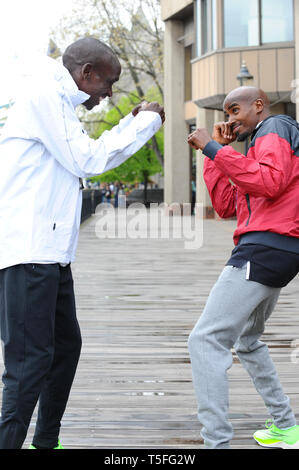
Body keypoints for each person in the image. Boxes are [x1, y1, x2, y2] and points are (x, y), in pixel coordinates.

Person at [0, 37, 164, 449]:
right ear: (86, 73)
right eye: (107, 84)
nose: (108, 94)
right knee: (27, 365)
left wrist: (131, 122)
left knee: (64, 349)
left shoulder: (58, 103)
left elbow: (84, 151)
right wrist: (145, 123)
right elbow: (87, 161)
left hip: (51, 256)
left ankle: (46, 442)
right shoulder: (43, 96)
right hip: (29, 253)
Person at [187, 86, 299, 449]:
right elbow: (224, 205)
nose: (230, 118)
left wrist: (213, 148)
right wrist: (215, 156)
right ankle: (286, 425)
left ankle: (216, 443)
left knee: (204, 340)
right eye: (227, 112)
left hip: (264, 249)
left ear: (259, 105)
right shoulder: (253, 149)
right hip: (275, 252)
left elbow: (269, 182)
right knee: (248, 340)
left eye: (235, 110)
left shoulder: (276, 128)